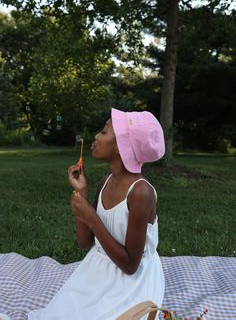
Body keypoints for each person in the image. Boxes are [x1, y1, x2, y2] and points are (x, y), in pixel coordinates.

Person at [28, 108, 165, 320]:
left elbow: (130, 265)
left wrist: (91, 217)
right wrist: (82, 195)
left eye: (104, 131)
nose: (95, 136)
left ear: (121, 146)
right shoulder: (105, 182)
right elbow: (84, 242)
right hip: (98, 269)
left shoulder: (141, 192)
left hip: (132, 281)